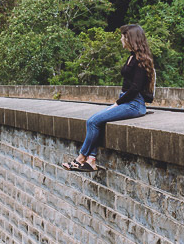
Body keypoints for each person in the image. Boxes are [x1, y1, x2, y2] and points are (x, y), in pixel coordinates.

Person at [63, 24, 155, 172]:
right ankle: (91, 160)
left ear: (130, 38)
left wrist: (117, 103)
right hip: (128, 100)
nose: (121, 39)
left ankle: (80, 158)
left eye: (123, 36)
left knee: (92, 121)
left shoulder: (141, 60)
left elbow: (136, 88)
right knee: (98, 121)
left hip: (134, 104)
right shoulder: (132, 57)